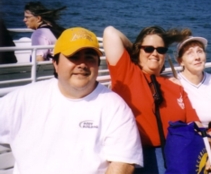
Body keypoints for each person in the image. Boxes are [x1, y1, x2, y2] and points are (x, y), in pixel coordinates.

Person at [0, 27, 143, 174]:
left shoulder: (116, 108)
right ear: (55, 64)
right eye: (73, 56)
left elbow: (123, 163)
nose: (82, 64)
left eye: (89, 57)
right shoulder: (23, 98)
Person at [103, 25, 211, 174]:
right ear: (138, 50)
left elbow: (195, 125)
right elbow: (110, 32)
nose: (155, 53)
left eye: (161, 50)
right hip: (137, 157)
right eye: (148, 49)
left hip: (178, 156)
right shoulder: (127, 73)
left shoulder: (175, 86)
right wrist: (133, 49)